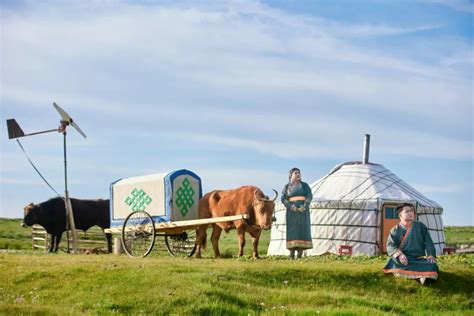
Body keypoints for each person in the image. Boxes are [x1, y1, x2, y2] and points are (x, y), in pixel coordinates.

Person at [383, 203, 439, 284]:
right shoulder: (395, 230)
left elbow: (428, 243)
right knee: (393, 261)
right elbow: (390, 246)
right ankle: (422, 276)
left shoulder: (420, 226)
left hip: (419, 259)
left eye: (411, 211)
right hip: (404, 260)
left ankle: (418, 276)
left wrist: (431, 255)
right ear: (400, 215)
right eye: (407, 211)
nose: (410, 213)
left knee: (432, 264)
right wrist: (400, 255)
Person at [281, 167, 313, 259]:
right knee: (292, 230)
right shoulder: (286, 187)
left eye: (299, 173)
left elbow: (309, 196)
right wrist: (291, 206)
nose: (298, 174)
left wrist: (305, 205)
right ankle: (291, 253)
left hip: (303, 211)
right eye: (296, 173)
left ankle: (300, 253)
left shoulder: (305, 186)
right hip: (291, 212)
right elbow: (283, 198)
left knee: (303, 230)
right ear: (291, 175)